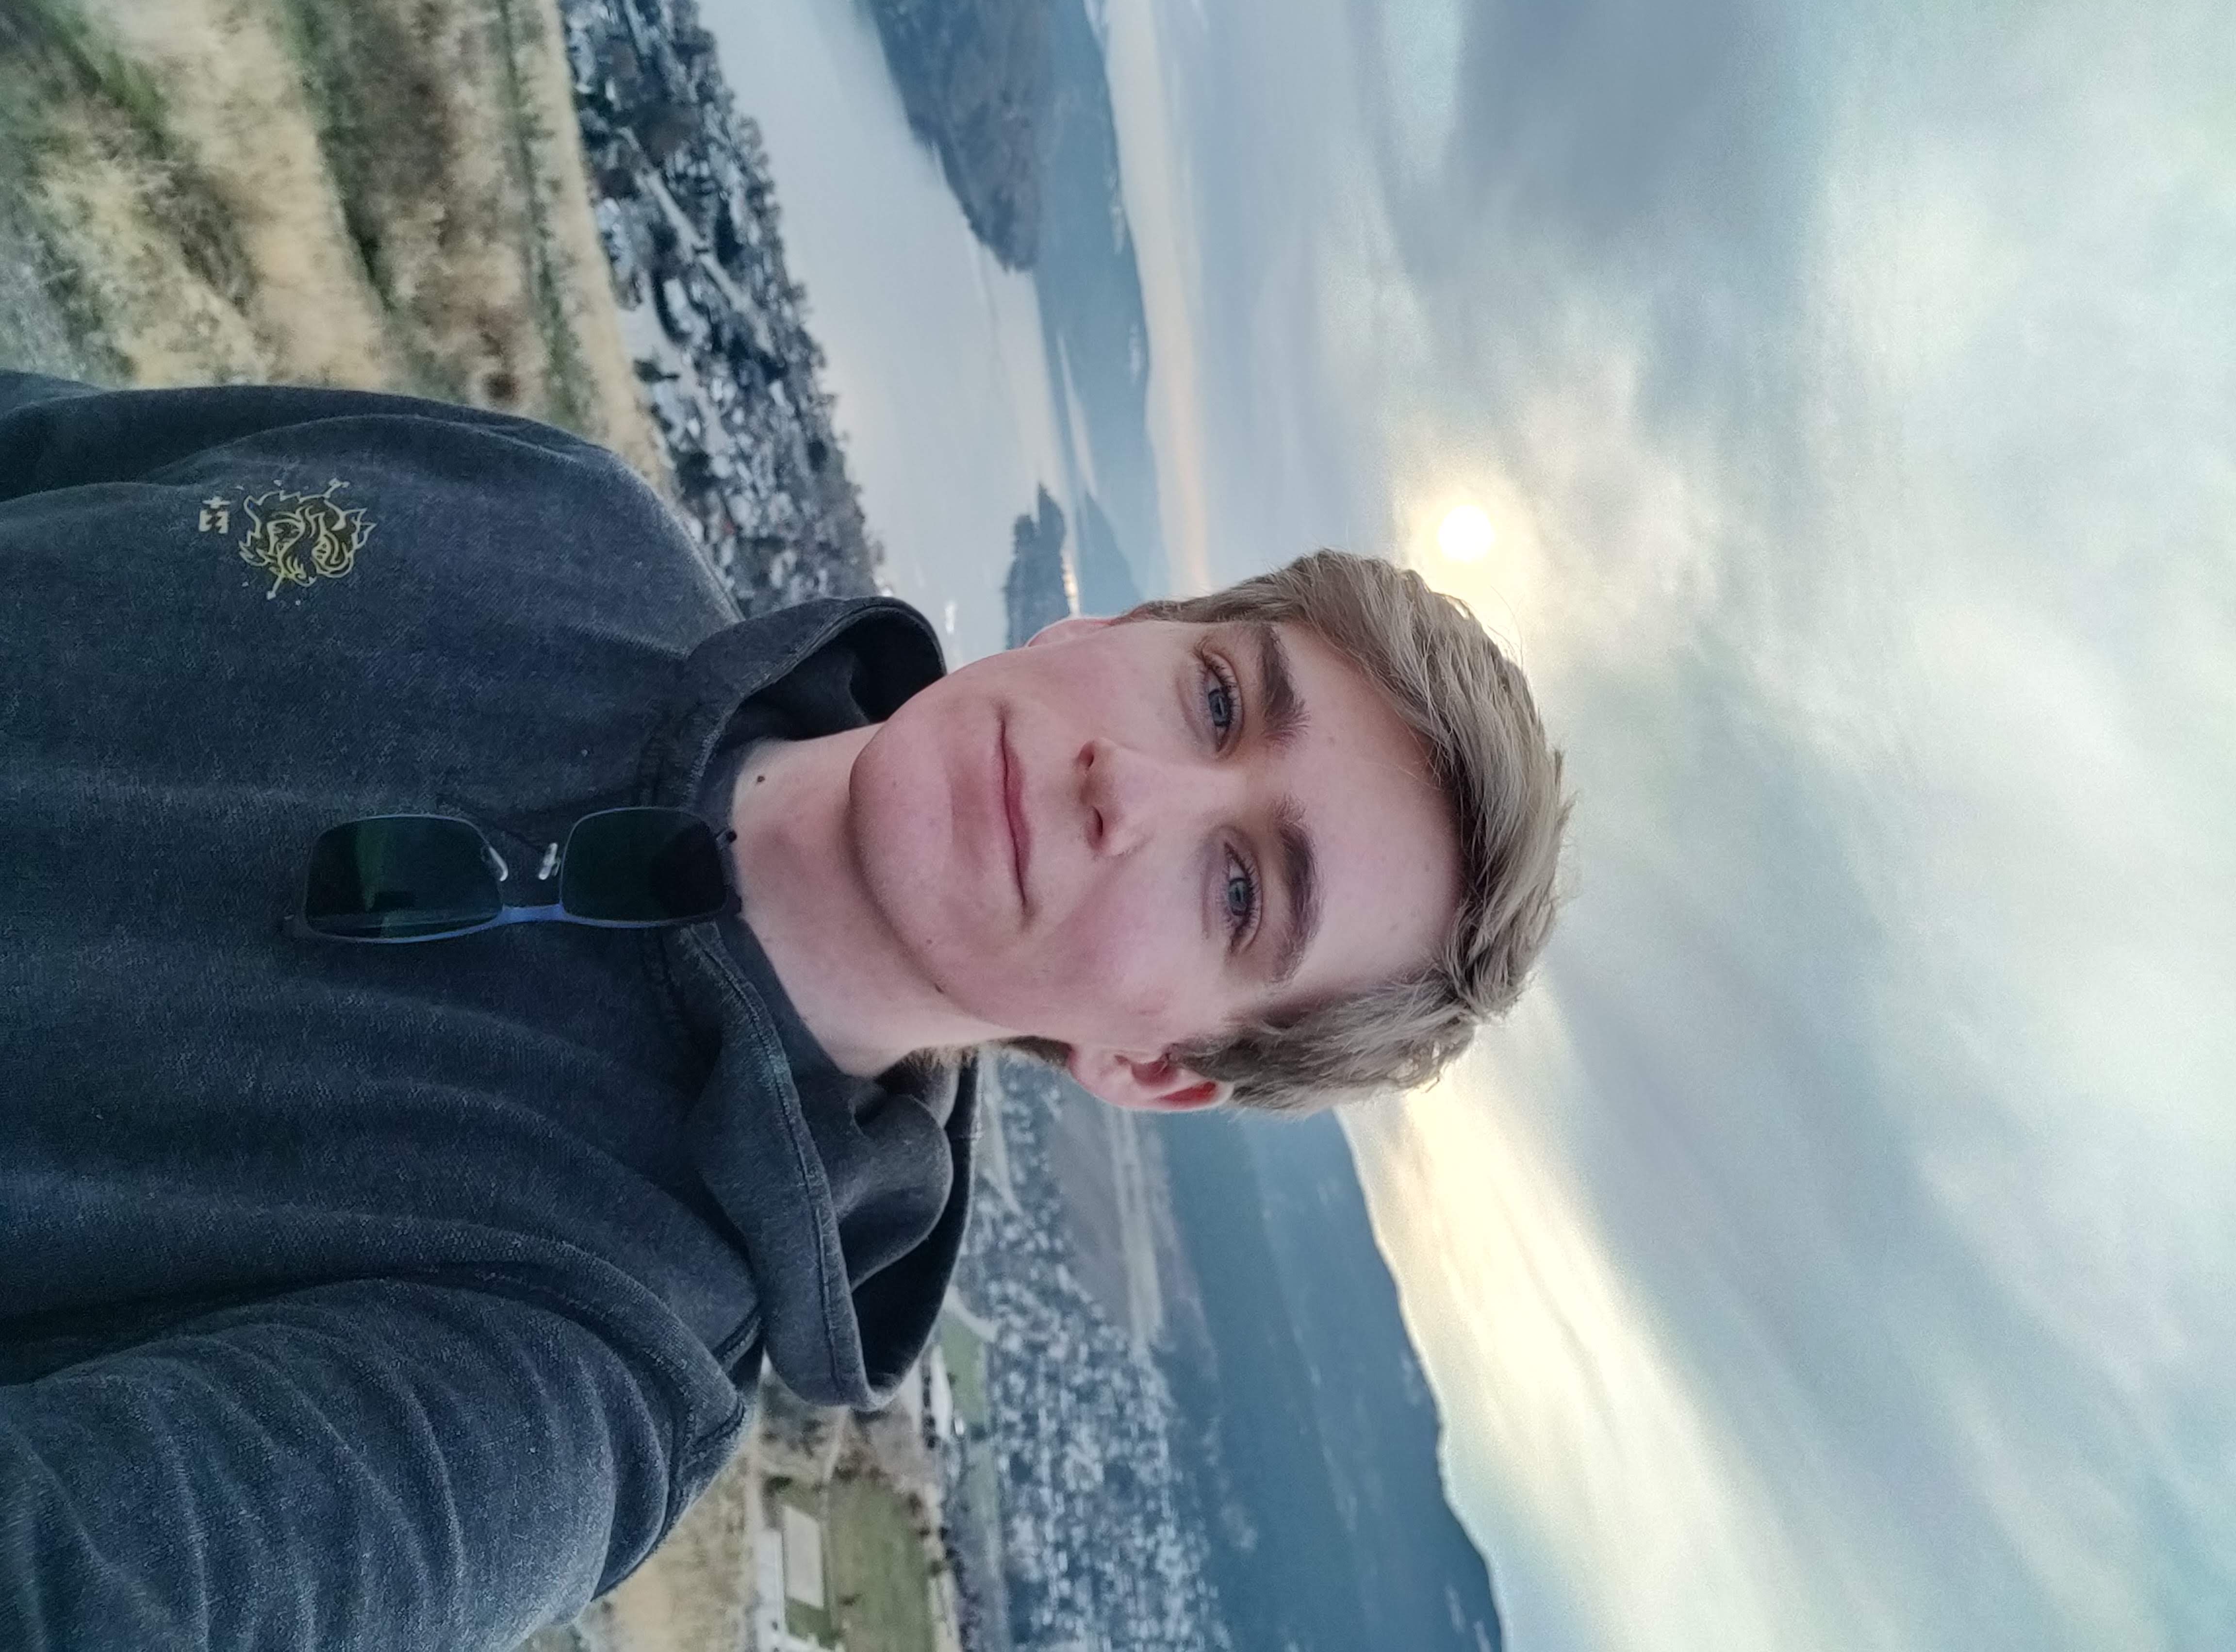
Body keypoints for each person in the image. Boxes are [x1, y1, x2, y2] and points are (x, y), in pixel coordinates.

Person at [0, 370, 1565, 1647]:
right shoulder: (561, 517)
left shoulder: (586, 1374)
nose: (1128, 789)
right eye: (1215, 697)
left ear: (1147, 1065)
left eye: (1239, 890)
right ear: (1108, 630)